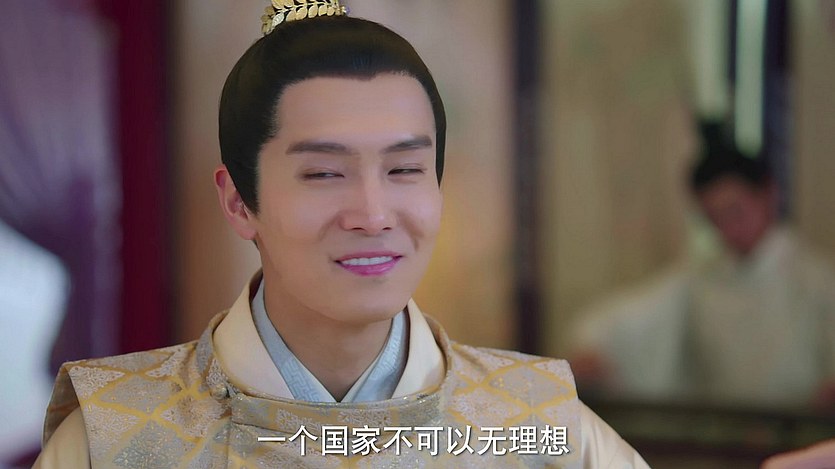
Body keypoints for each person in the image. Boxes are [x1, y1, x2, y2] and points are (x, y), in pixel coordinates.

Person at [34, 2, 648, 467]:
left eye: (404, 170)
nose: (373, 215)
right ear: (239, 201)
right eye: (325, 173)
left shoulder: (542, 427)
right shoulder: (116, 436)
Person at [569, 144, 835, 410]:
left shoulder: (819, 282)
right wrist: (595, 348)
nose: (728, 229)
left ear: (768, 194)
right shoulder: (700, 278)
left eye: (735, 211)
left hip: (798, 428)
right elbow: (627, 317)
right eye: (714, 218)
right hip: (720, 426)